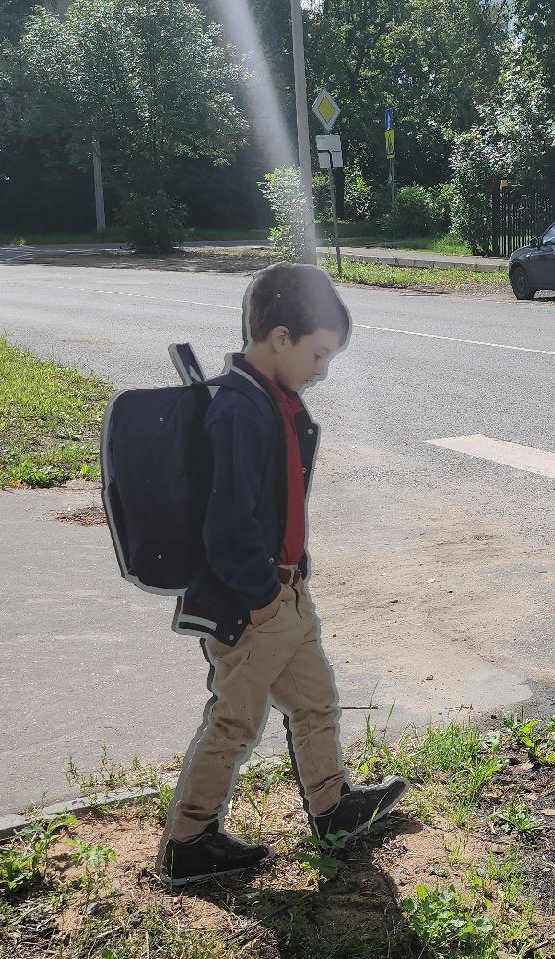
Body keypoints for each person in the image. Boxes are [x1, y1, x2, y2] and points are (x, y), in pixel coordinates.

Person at [156, 262, 409, 886]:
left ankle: (331, 807)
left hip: (285, 592)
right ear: (279, 338)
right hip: (255, 602)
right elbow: (227, 525)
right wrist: (266, 597)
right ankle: (190, 840)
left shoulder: (275, 401)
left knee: (316, 701)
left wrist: (291, 583)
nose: (322, 370)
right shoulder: (241, 411)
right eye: (319, 354)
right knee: (236, 721)